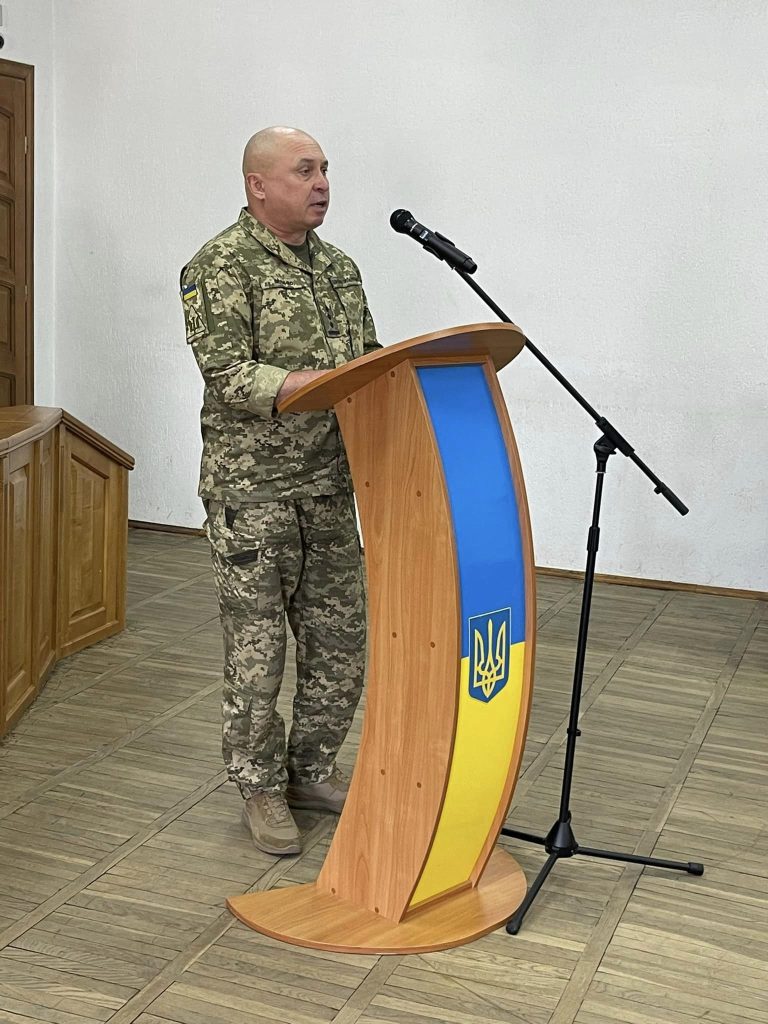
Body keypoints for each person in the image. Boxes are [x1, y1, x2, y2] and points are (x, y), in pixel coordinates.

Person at [180, 127, 379, 856]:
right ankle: (260, 787)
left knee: (339, 645)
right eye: (304, 170)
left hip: (329, 487)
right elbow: (231, 377)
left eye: (324, 169)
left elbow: (369, 362)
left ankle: (311, 771)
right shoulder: (219, 265)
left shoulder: (340, 268)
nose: (322, 182)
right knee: (258, 655)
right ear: (258, 185)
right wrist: (327, 385)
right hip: (254, 495)